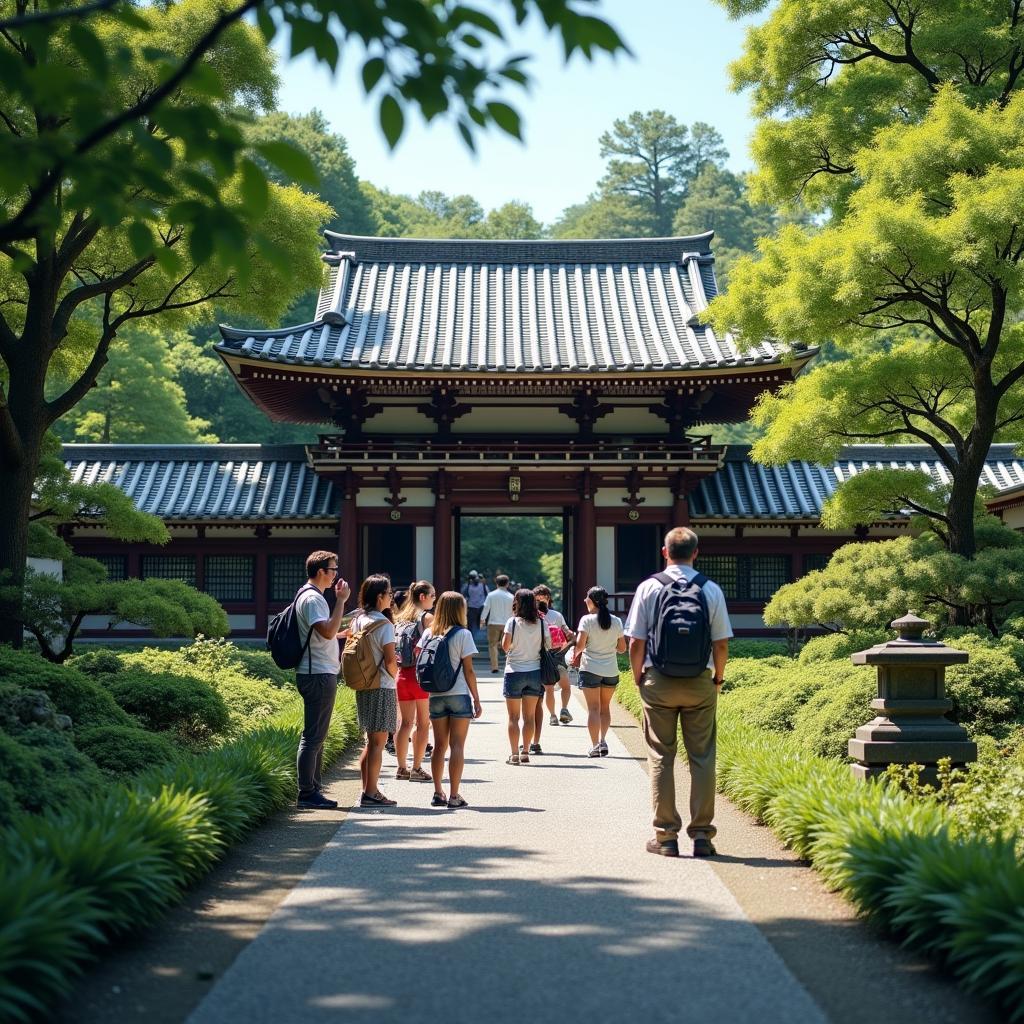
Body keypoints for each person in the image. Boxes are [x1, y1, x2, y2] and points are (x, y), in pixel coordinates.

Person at [624, 527, 732, 859]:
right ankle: (702, 836)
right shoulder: (710, 589)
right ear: (696, 553)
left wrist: (638, 675)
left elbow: (635, 641)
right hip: (700, 681)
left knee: (660, 756)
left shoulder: (649, 587)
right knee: (702, 758)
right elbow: (721, 643)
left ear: (664, 552)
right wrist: (717, 678)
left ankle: (666, 836)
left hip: (658, 680)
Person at [294, 550, 351, 809]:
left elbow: (322, 633)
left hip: (314, 670)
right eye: (333, 570)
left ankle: (313, 790)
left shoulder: (306, 595)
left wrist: (340, 633)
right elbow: (326, 632)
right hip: (317, 673)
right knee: (314, 736)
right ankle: (307, 793)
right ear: (321, 572)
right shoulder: (314, 599)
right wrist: (341, 601)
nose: (335, 574)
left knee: (317, 735)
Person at [419, 591, 483, 808]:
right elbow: (469, 671)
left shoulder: (429, 633)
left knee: (439, 746)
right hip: (458, 694)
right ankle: (455, 796)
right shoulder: (463, 634)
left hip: (435, 695)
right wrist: (477, 699)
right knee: (457, 745)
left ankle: (438, 792)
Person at [352, 574, 401, 807]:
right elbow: (391, 660)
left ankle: (367, 790)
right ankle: (372, 792)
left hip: (363, 684)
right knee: (378, 743)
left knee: (370, 741)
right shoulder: (384, 624)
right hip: (382, 685)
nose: (391, 598)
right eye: (389, 594)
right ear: (380, 596)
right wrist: (396, 675)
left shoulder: (358, 619)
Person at [571, 586, 626, 758]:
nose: (584, 601)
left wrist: (574, 656)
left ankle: (595, 745)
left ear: (592, 600)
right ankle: (603, 741)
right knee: (605, 708)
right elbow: (623, 648)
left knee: (593, 709)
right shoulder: (616, 621)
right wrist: (609, 647)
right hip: (610, 669)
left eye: (586, 598)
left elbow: (579, 646)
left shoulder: (586, 620)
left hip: (590, 669)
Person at [501, 588, 550, 765]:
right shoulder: (542, 623)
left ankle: (514, 754)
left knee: (513, 717)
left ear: (517, 603)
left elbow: (505, 647)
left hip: (514, 671)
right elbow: (548, 645)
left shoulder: (512, 622)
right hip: (534, 672)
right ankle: (526, 751)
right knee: (529, 717)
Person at [393, 580, 435, 782]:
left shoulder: (399, 618)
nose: (434, 600)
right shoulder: (427, 618)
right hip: (420, 676)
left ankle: (401, 767)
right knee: (423, 723)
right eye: (433, 595)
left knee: (405, 724)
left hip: (401, 675)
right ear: (422, 597)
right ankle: (417, 768)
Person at [531, 585, 575, 755]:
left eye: (545, 596)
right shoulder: (532, 616)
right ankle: (552, 715)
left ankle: (564, 708)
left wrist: (568, 641)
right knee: (549, 687)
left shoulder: (556, 615)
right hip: (544, 655)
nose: (542, 599)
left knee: (565, 684)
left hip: (557, 654)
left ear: (549, 598)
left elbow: (567, 633)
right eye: (538, 597)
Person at [480, 573, 514, 673]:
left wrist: (482, 620)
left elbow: (486, 608)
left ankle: (495, 667)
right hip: (507, 624)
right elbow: (513, 611)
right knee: (508, 645)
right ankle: (509, 665)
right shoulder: (511, 596)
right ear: (507, 584)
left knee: (492, 645)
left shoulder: (491, 595)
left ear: (496, 583)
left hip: (493, 623)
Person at [462, 570, 489, 635]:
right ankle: (473, 636)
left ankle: (478, 637)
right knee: (471, 624)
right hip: (472, 608)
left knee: (479, 624)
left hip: (478, 607)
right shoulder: (468, 586)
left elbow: (488, 595)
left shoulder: (483, 586)